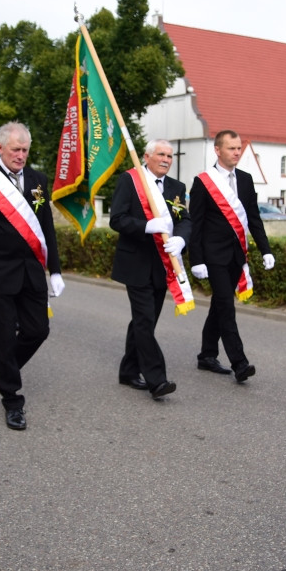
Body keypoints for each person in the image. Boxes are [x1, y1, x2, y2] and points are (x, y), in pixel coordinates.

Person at [0, 121, 64, 430]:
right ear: (0, 149)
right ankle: (12, 399)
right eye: (15, 149)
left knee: (38, 330)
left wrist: (56, 270)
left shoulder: (38, 179)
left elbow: (46, 228)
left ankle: (2, 367)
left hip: (31, 272)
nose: (21, 155)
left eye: (25, 150)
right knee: (3, 337)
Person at [188, 129, 274, 383]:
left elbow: (254, 218)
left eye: (238, 148)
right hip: (213, 256)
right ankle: (240, 363)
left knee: (219, 305)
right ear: (218, 150)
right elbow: (197, 224)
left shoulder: (246, 180)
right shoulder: (203, 182)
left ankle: (206, 355)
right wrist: (197, 259)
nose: (237, 152)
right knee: (226, 304)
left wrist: (266, 249)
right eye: (232, 148)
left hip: (238, 254)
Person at [109, 139, 191, 399]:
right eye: (161, 154)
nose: (166, 159)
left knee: (146, 321)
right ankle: (157, 380)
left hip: (162, 265)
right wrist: (146, 226)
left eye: (170, 155)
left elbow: (184, 220)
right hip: (136, 262)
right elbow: (117, 219)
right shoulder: (130, 180)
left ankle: (128, 371)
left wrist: (181, 239)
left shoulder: (177, 187)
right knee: (145, 320)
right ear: (146, 156)